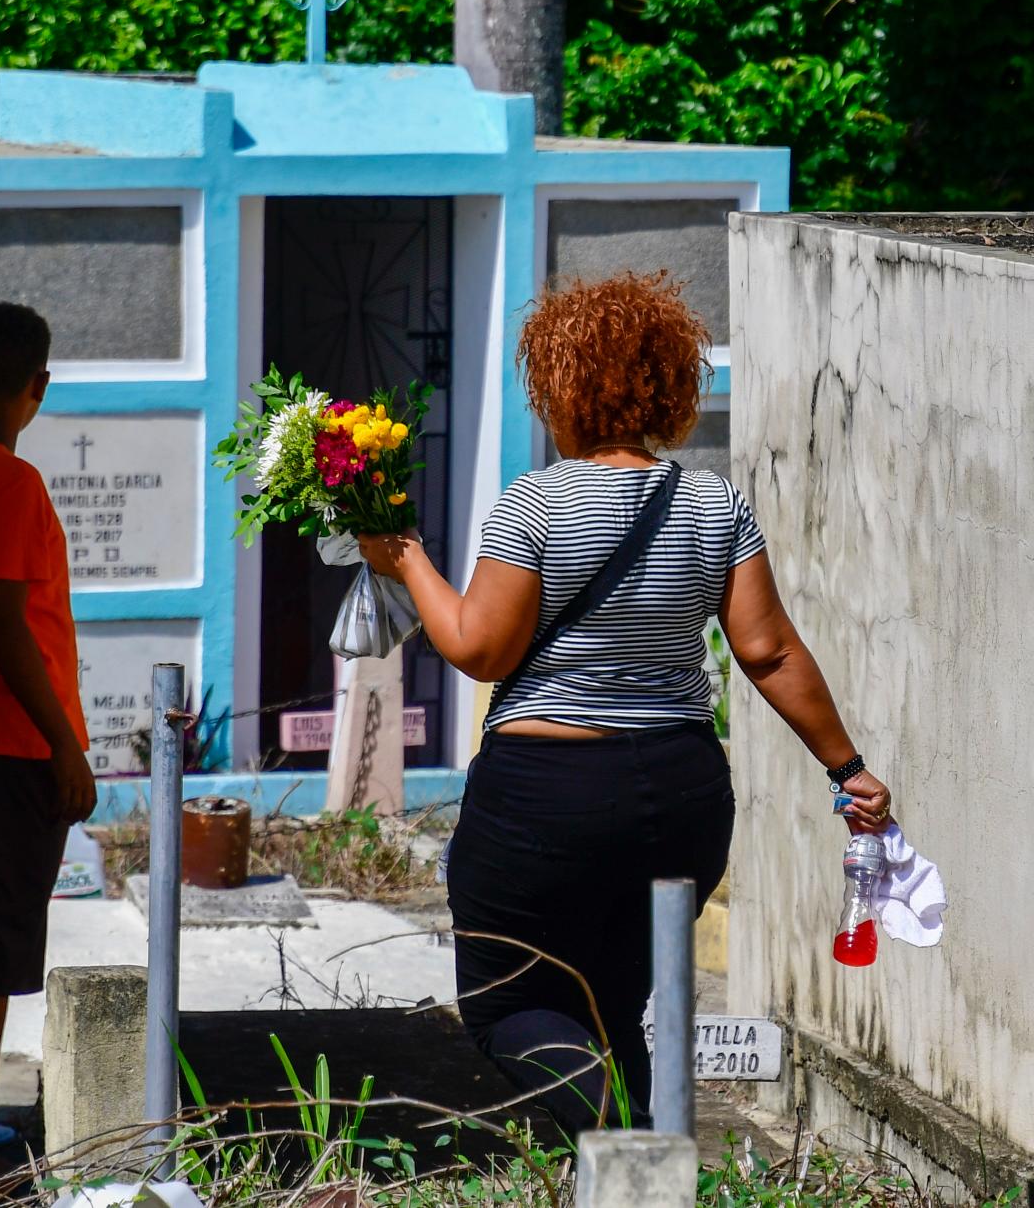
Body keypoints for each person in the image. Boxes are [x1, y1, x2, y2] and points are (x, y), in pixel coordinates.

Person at [357, 271, 890, 1136]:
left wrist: (405, 559)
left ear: (563, 386)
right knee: (613, 1003)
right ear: (665, 386)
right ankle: (645, 1163)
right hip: (680, 793)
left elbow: (480, 647)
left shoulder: (535, 501)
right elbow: (769, 649)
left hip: (545, 797)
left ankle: (613, 1130)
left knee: (509, 1005)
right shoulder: (713, 502)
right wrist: (851, 769)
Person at [0, 301, 98, 1180]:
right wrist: (65, 743)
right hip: (19, 747)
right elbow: (7, 624)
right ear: (36, 389)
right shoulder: (11, 481)